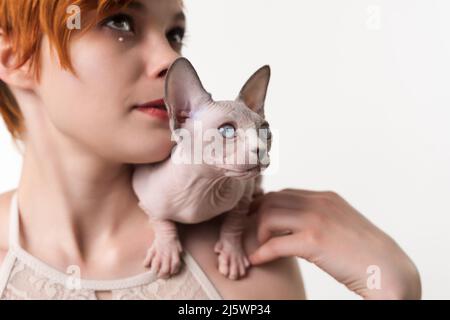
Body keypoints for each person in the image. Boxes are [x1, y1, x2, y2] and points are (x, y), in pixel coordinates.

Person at [0, 0, 420, 300]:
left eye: (175, 33)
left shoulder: (249, 262)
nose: (169, 56)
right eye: (120, 21)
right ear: (12, 54)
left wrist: (395, 292)